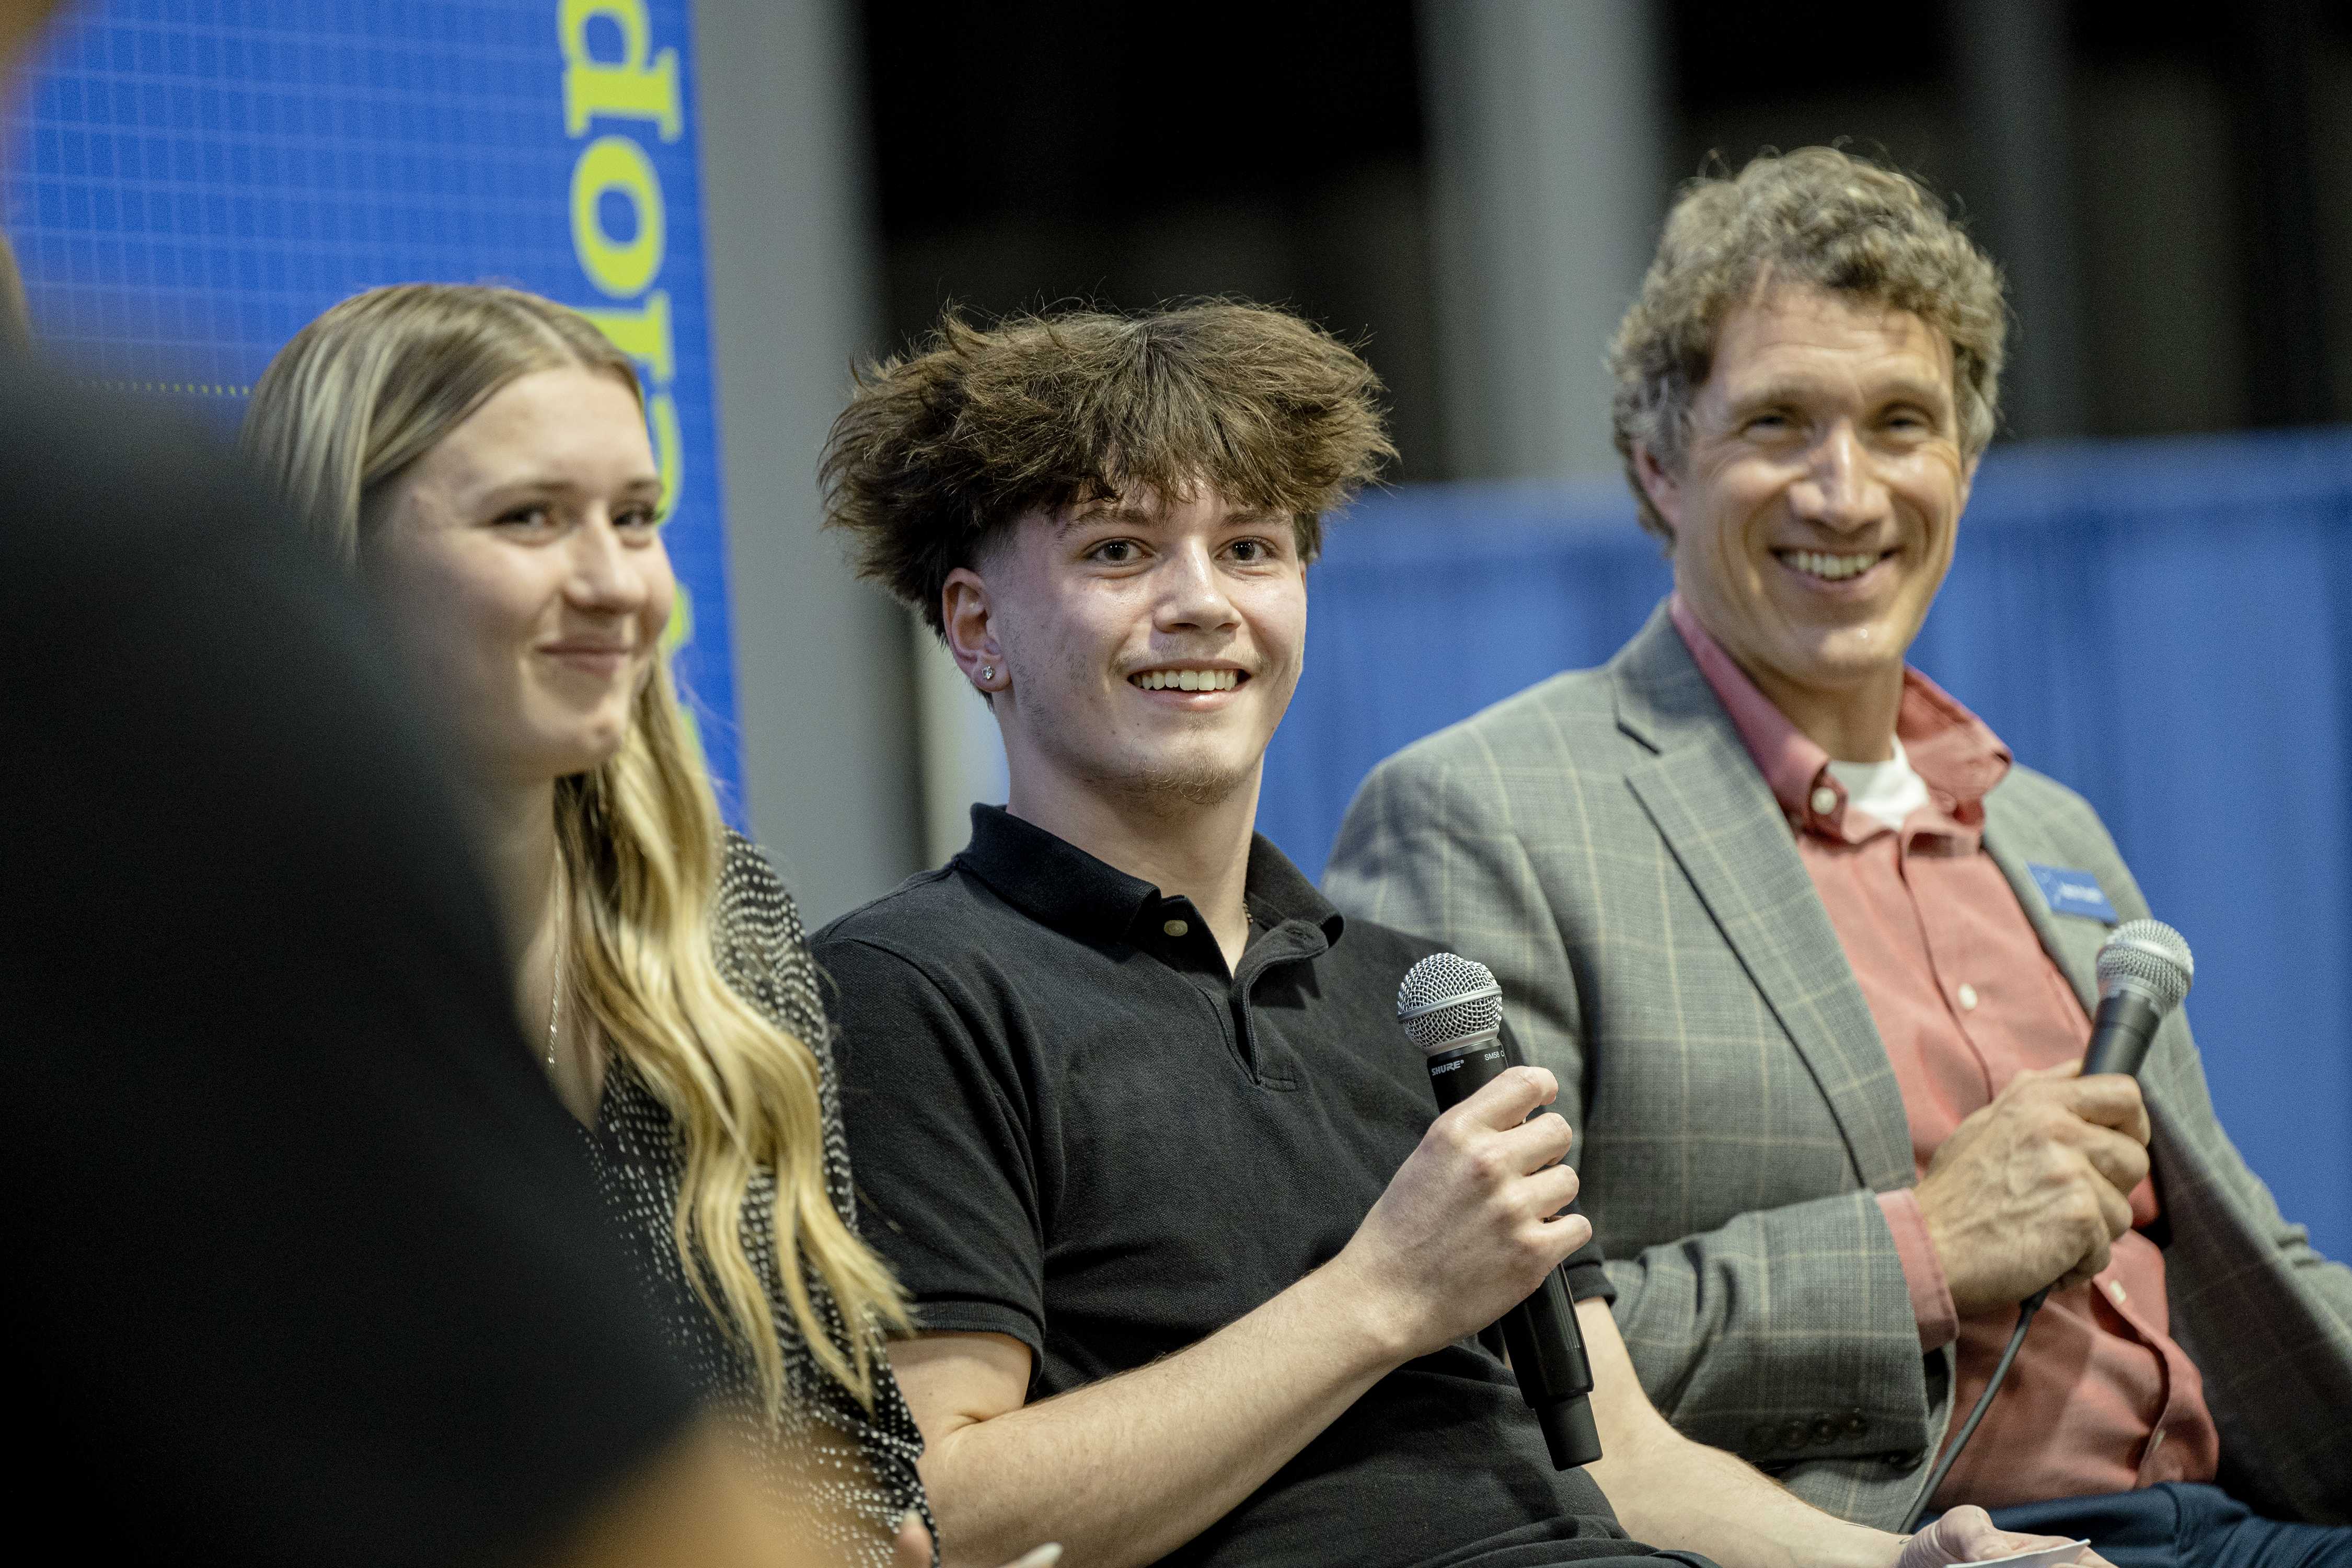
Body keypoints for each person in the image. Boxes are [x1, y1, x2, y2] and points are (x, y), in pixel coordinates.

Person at [809, 302, 2080, 1568]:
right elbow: (945, 1508)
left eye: (1250, 548)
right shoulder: (907, 987)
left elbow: (1624, 1457)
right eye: (1121, 552)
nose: (1202, 604)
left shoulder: (1421, 992)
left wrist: (1903, 1567)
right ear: (978, 629)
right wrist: (1381, 1297)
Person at [1324, 148, 2352, 1563]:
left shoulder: (2044, 829)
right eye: (1777, 423)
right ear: (1654, 463)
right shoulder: (1484, 812)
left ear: (1965, 465)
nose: (1843, 491)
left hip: (2244, 1516)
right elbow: (1485, 1345)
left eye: (1897, 424)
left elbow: (2246, 1257)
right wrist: (1920, 1245)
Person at [238, 283, 931, 1566]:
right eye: (531, 519)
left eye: (636, 518)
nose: (617, 584)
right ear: (334, 548)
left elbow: (856, 1440)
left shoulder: (726, 921)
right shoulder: (195, 963)